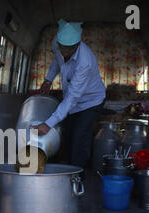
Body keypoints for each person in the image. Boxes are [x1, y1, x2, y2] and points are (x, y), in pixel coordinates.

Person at [33, 19, 106, 169]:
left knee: (80, 138)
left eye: (69, 49)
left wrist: (48, 124)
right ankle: (64, 169)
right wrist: (48, 80)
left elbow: (73, 96)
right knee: (67, 134)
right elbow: (56, 61)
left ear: (78, 45)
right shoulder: (57, 43)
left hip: (90, 101)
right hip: (71, 101)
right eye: (62, 48)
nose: (64, 52)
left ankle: (77, 176)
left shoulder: (85, 61)